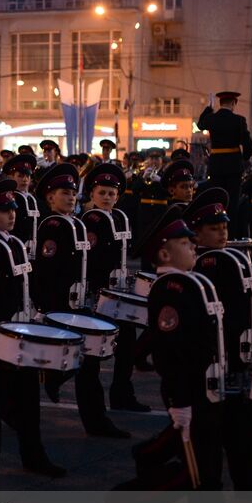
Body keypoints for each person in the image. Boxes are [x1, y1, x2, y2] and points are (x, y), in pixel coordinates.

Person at [0, 179, 64, 476]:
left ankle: (34, 456)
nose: (11, 214)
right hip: (0, 336)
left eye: (12, 209)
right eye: (2, 210)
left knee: (26, 400)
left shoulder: (14, 243)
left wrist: (35, 312)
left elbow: (26, 285)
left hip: (20, 331)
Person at [31, 163, 127, 437]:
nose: (71, 197)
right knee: (84, 360)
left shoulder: (74, 223)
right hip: (62, 304)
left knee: (89, 361)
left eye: (73, 193)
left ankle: (95, 420)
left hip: (79, 302)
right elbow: (47, 269)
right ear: (50, 197)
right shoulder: (52, 225)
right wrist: (47, 307)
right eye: (64, 193)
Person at [135, 211, 225, 489]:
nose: (193, 246)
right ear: (164, 255)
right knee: (201, 472)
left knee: (203, 461)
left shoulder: (190, 282)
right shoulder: (170, 288)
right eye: (184, 243)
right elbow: (169, 351)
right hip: (188, 386)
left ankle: (144, 463)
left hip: (205, 383)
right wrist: (179, 400)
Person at [187, 189, 252, 489]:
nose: (222, 232)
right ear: (195, 233)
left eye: (224, 227)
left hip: (240, 356)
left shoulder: (233, 258)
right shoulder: (204, 266)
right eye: (213, 228)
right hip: (219, 360)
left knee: (245, 429)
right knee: (215, 436)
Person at [80, 163, 148, 412]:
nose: (107, 197)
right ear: (92, 195)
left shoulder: (120, 217)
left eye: (111, 193)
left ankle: (122, 394)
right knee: (95, 351)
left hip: (119, 292)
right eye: (102, 193)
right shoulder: (90, 219)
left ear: (118, 196)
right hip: (99, 293)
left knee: (127, 343)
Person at [196, 91, 252, 220]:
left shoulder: (211, 118)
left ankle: (217, 224)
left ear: (220, 103)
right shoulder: (239, 120)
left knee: (217, 198)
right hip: (234, 166)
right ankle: (231, 233)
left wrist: (208, 108)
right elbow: (247, 143)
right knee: (232, 202)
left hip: (216, 165)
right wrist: (244, 159)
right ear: (233, 103)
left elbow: (200, 124)